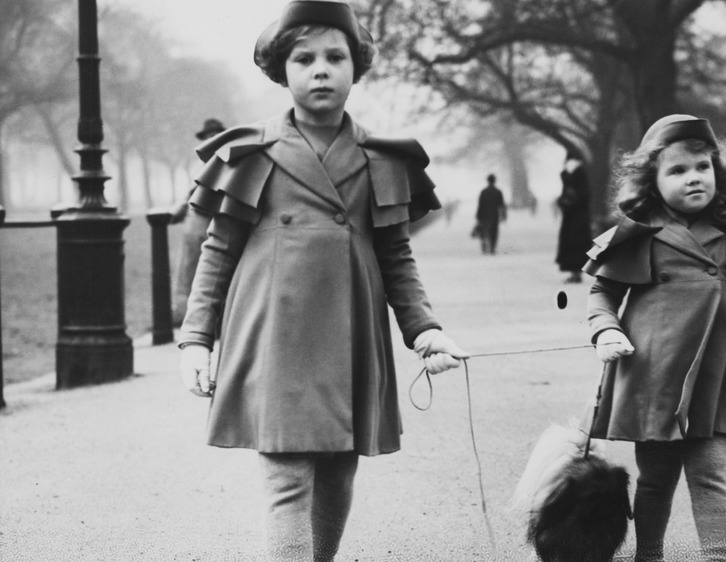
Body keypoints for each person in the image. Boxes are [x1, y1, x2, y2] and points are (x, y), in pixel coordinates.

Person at [176, 2, 468, 560]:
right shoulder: (250, 153)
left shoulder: (381, 158)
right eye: (304, 58)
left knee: (337, 472)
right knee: (286, 479)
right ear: (282, 71)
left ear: (355, 69)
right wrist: (196, 339)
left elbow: (397, 257)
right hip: (274, 339)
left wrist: (426, 331)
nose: (321, 69)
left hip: (349, 337)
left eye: (336, 56)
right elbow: (218, 251)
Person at [582, 114, 726, 562]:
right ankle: (648, 556)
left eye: (702, 167)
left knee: (710, 474)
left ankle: (716, 558)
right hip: (654, 374)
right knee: (655, 479)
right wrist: (605, 329)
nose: (693, 178)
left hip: (716, 372)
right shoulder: (639, 234)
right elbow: (602, 293)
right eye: (677, 170)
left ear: (718, 172)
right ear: (652, 182)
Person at [170, 118, 226, 326]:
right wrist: (182, 206)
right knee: (190, 265)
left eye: (215, 136)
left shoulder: (228, 158)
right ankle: (184, 314)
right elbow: (192, 190)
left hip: (218, 217)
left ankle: (214, 317)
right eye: (207, 137)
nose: (211, 140)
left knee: (216, 265)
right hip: (199, 218)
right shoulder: (199, 162)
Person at [555, 147, 592, 283]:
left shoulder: (572, 174)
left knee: (572, 243)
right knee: (577, 244)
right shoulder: (579, 173)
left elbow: (577, 195)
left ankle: (574, 272)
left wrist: (566, 201)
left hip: (573, 216)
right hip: (578, 215)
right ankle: (576, 272)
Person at [474, 173, 507, 254]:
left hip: (484, 215)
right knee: (494, 232)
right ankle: (492, 247)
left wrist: (478, 215)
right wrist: (503, 215)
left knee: (484, 231)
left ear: (488, 181)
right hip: (494, 215)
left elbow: (480, 205)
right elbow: (501, 205)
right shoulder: (498, 192)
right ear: (494, 181)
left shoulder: (483, 192)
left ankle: (484, 244)